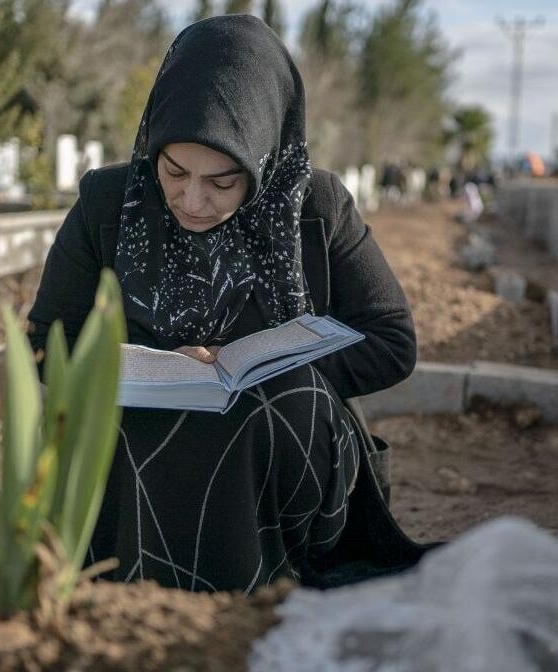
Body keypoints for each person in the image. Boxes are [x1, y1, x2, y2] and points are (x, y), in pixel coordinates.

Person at [26, 16, 424, 593]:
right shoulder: (107, 202)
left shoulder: (316, 206)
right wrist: (143, 364)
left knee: (280, 402)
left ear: (261, 160)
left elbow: (392, 341)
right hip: (141, 434)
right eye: (175, 171)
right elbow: (46, 340)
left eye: (223, 180)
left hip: (283, 446)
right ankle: (135, 589)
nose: (193, 200)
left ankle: (265, 585)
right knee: (122, 415)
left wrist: (269, 366)